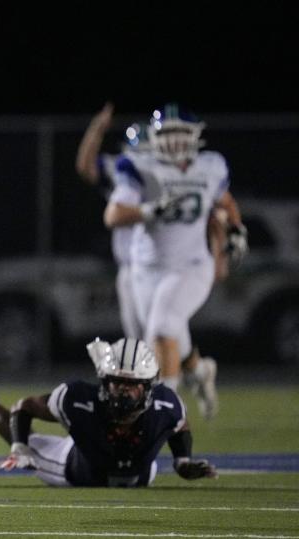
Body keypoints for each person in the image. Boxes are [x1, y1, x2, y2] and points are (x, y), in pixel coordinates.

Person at [103, 103, 246, 420]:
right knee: (167, 337)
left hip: (192, 266)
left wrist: (234, 230)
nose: (175, 142)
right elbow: (113, 216)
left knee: (163, 328)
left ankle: (162, 413)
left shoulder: (210, 166)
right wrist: (149, 210)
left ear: (195, 136)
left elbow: (225, 203)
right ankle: (199, 371)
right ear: (154, 138)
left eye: (181, 135)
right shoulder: (141, 166)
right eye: (168, 135)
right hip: (145, 269)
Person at [0, 337, 217, 487]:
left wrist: (183, 462)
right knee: (30, 444)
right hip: (75, 469)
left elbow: (180, 424)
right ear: (104, 381)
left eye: (131, 385)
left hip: (138, 474)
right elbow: (24, 407)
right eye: (116, 382)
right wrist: (19, 448)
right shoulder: (78, 399)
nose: (123, 391)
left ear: (148, 387)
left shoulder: (166, 404)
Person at [75, 102, 147, 340]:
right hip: (128, 265)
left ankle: (181, 372)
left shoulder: (167, 174)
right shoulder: (122, 169)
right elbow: (86, 167)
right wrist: (97, 129)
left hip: (159, 265)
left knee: (161, 331)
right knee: (136, 338)